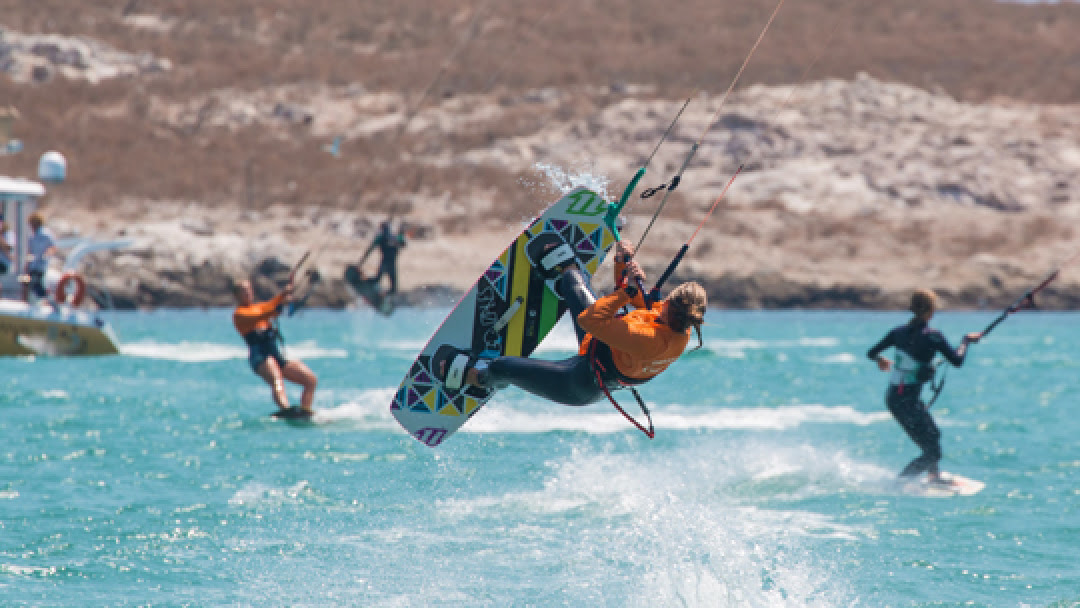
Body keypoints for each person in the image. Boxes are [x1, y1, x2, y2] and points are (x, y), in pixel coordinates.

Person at [435, 237, 707, 408]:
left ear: (673, 309)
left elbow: (590, 320)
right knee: (571, 280)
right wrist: (623, 266)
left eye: (667, 300)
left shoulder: (648, 339)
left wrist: (623, 293)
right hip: (599, 347)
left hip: (581, 383)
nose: (662, 302)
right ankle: (561, 274)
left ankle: (476, 378)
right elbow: (644, 305)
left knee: (502, 366)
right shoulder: (677, 328)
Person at [866, 288, 982, 485]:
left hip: (895, 398)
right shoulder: (933, 336)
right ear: (931, 311)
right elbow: (957, 361)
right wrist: (966, 341)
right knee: (932, 451)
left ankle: (933, 476)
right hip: (907, 401)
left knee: (933, 436)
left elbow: (871, 352)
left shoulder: (897, 333)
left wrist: (880, 359)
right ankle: (900, 483)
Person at [232, 278, 318, 416]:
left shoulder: (259, 306)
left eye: (249, 289)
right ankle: (286, 409)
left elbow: (273, 303)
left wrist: (284, 294)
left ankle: (304, 412)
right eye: (243, 291)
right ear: (236, 295)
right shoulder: (239, 314)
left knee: (310, 380)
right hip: (260, 356)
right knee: (277, 378)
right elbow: (261, 315)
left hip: (275, 354)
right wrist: (276, 309)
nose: (247, 293)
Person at [359, 220, 406, 295]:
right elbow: (403, 243)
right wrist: (400, 236)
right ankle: (390, 297)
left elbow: (370, 249)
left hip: (385, 262)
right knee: (393, 285)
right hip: (392, 263)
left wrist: (361, 261)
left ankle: (364, 284)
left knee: (377, 279)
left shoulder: (381, 237)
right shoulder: (394, 237)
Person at [23, 211, 56, 300]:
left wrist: (46, 255)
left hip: (41, 265)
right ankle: (38, 301)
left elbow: (52, 247)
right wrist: (27, 265)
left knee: (38, 284)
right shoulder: (33, 235)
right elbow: (30, 252)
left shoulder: (45, 234)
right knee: (31, 284)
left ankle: (47, 300)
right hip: (33, 265)